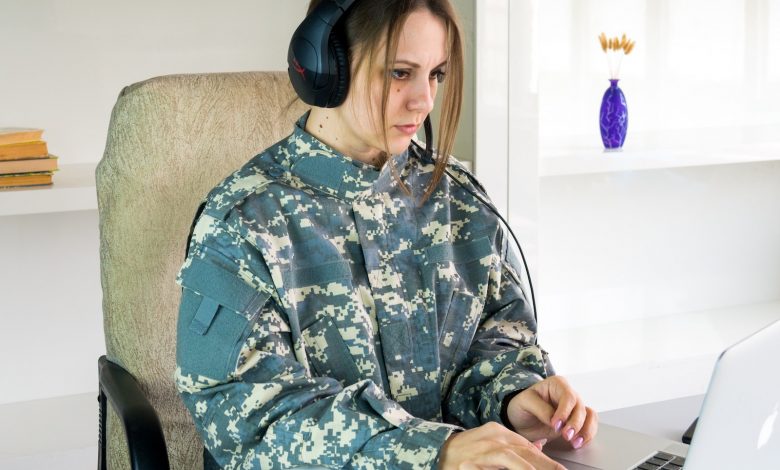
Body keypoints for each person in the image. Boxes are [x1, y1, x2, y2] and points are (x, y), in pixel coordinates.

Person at [174, 0, 598, 468]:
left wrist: (512, 396)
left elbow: (497, 337)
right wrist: (434, 453)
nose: (424, 100)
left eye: (436, 74)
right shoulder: (243, 223)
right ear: (326, 66)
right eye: (400, 73)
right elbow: (249, 419)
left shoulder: (457, 199)